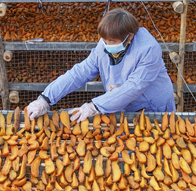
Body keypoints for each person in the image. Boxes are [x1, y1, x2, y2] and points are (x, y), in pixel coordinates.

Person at [26, 8, 175, 121]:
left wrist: (94, 106)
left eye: (112, 42)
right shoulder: (105, 43)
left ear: (129, 37)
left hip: (151, 106)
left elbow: (133, 87)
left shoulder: (148, 49)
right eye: (105, 40)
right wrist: (45, 98)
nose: (107, 44)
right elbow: (80, 72)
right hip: (120, 103)